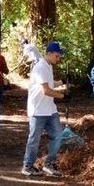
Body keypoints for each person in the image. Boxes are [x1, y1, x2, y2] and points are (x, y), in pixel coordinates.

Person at [21, 41, 69, 177]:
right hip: (38, 110)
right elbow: (45, 90)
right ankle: (27, 165)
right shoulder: (40, 67)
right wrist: (63, 96)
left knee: (58, 136)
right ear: (49, 54)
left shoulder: (48, 66)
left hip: (50, 109)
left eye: (59, 56)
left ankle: (49, 163)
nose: (58, 59)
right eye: (57, 56)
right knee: (34, 139)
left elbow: (49, 83)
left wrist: (62, 82)